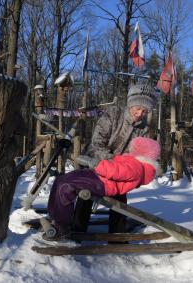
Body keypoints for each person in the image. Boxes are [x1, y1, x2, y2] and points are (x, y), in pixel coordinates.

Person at [45, 137, 161, 240]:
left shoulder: (136, 167)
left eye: (134, 148)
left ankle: (62, 226)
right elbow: (116, 166)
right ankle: (54, 215)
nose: (130, 149)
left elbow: (117, 171)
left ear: (141, 151)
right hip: (100, 178)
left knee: (66, 185)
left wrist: (97, 164)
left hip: (103, 183)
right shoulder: (133, 161)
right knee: (61, 180)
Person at [86, 82, 158, 233]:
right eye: (137, 108)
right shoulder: (113, 114)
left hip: (121, 171)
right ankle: (77, 229)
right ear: (130, 104)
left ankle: (117, 234)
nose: (140, 113)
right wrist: (111, 163)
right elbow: (97, 143)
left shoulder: (144, 129)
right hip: (96, 162)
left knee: (120, 197)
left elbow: (139, 156)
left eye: (145, 111)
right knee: (86, 193)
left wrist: (133, 171)